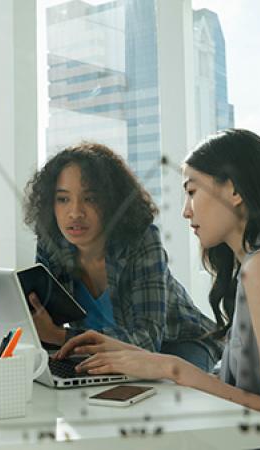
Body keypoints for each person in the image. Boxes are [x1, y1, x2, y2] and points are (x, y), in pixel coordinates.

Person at [56, 129, 260, 449]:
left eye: (192, 191)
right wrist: (134, 355)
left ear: (232, 190)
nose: (185, 210)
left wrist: (171, 367)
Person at [23, 142, 222, 371]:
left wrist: (61, 336)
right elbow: (43, 322)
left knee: (169, 396)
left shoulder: (141, 240)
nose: (75, 212)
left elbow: (148, 341)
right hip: (106, 351)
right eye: (63, 199)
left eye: (90, 198)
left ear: (112, 201)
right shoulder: (52, 244)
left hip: (179, 342)